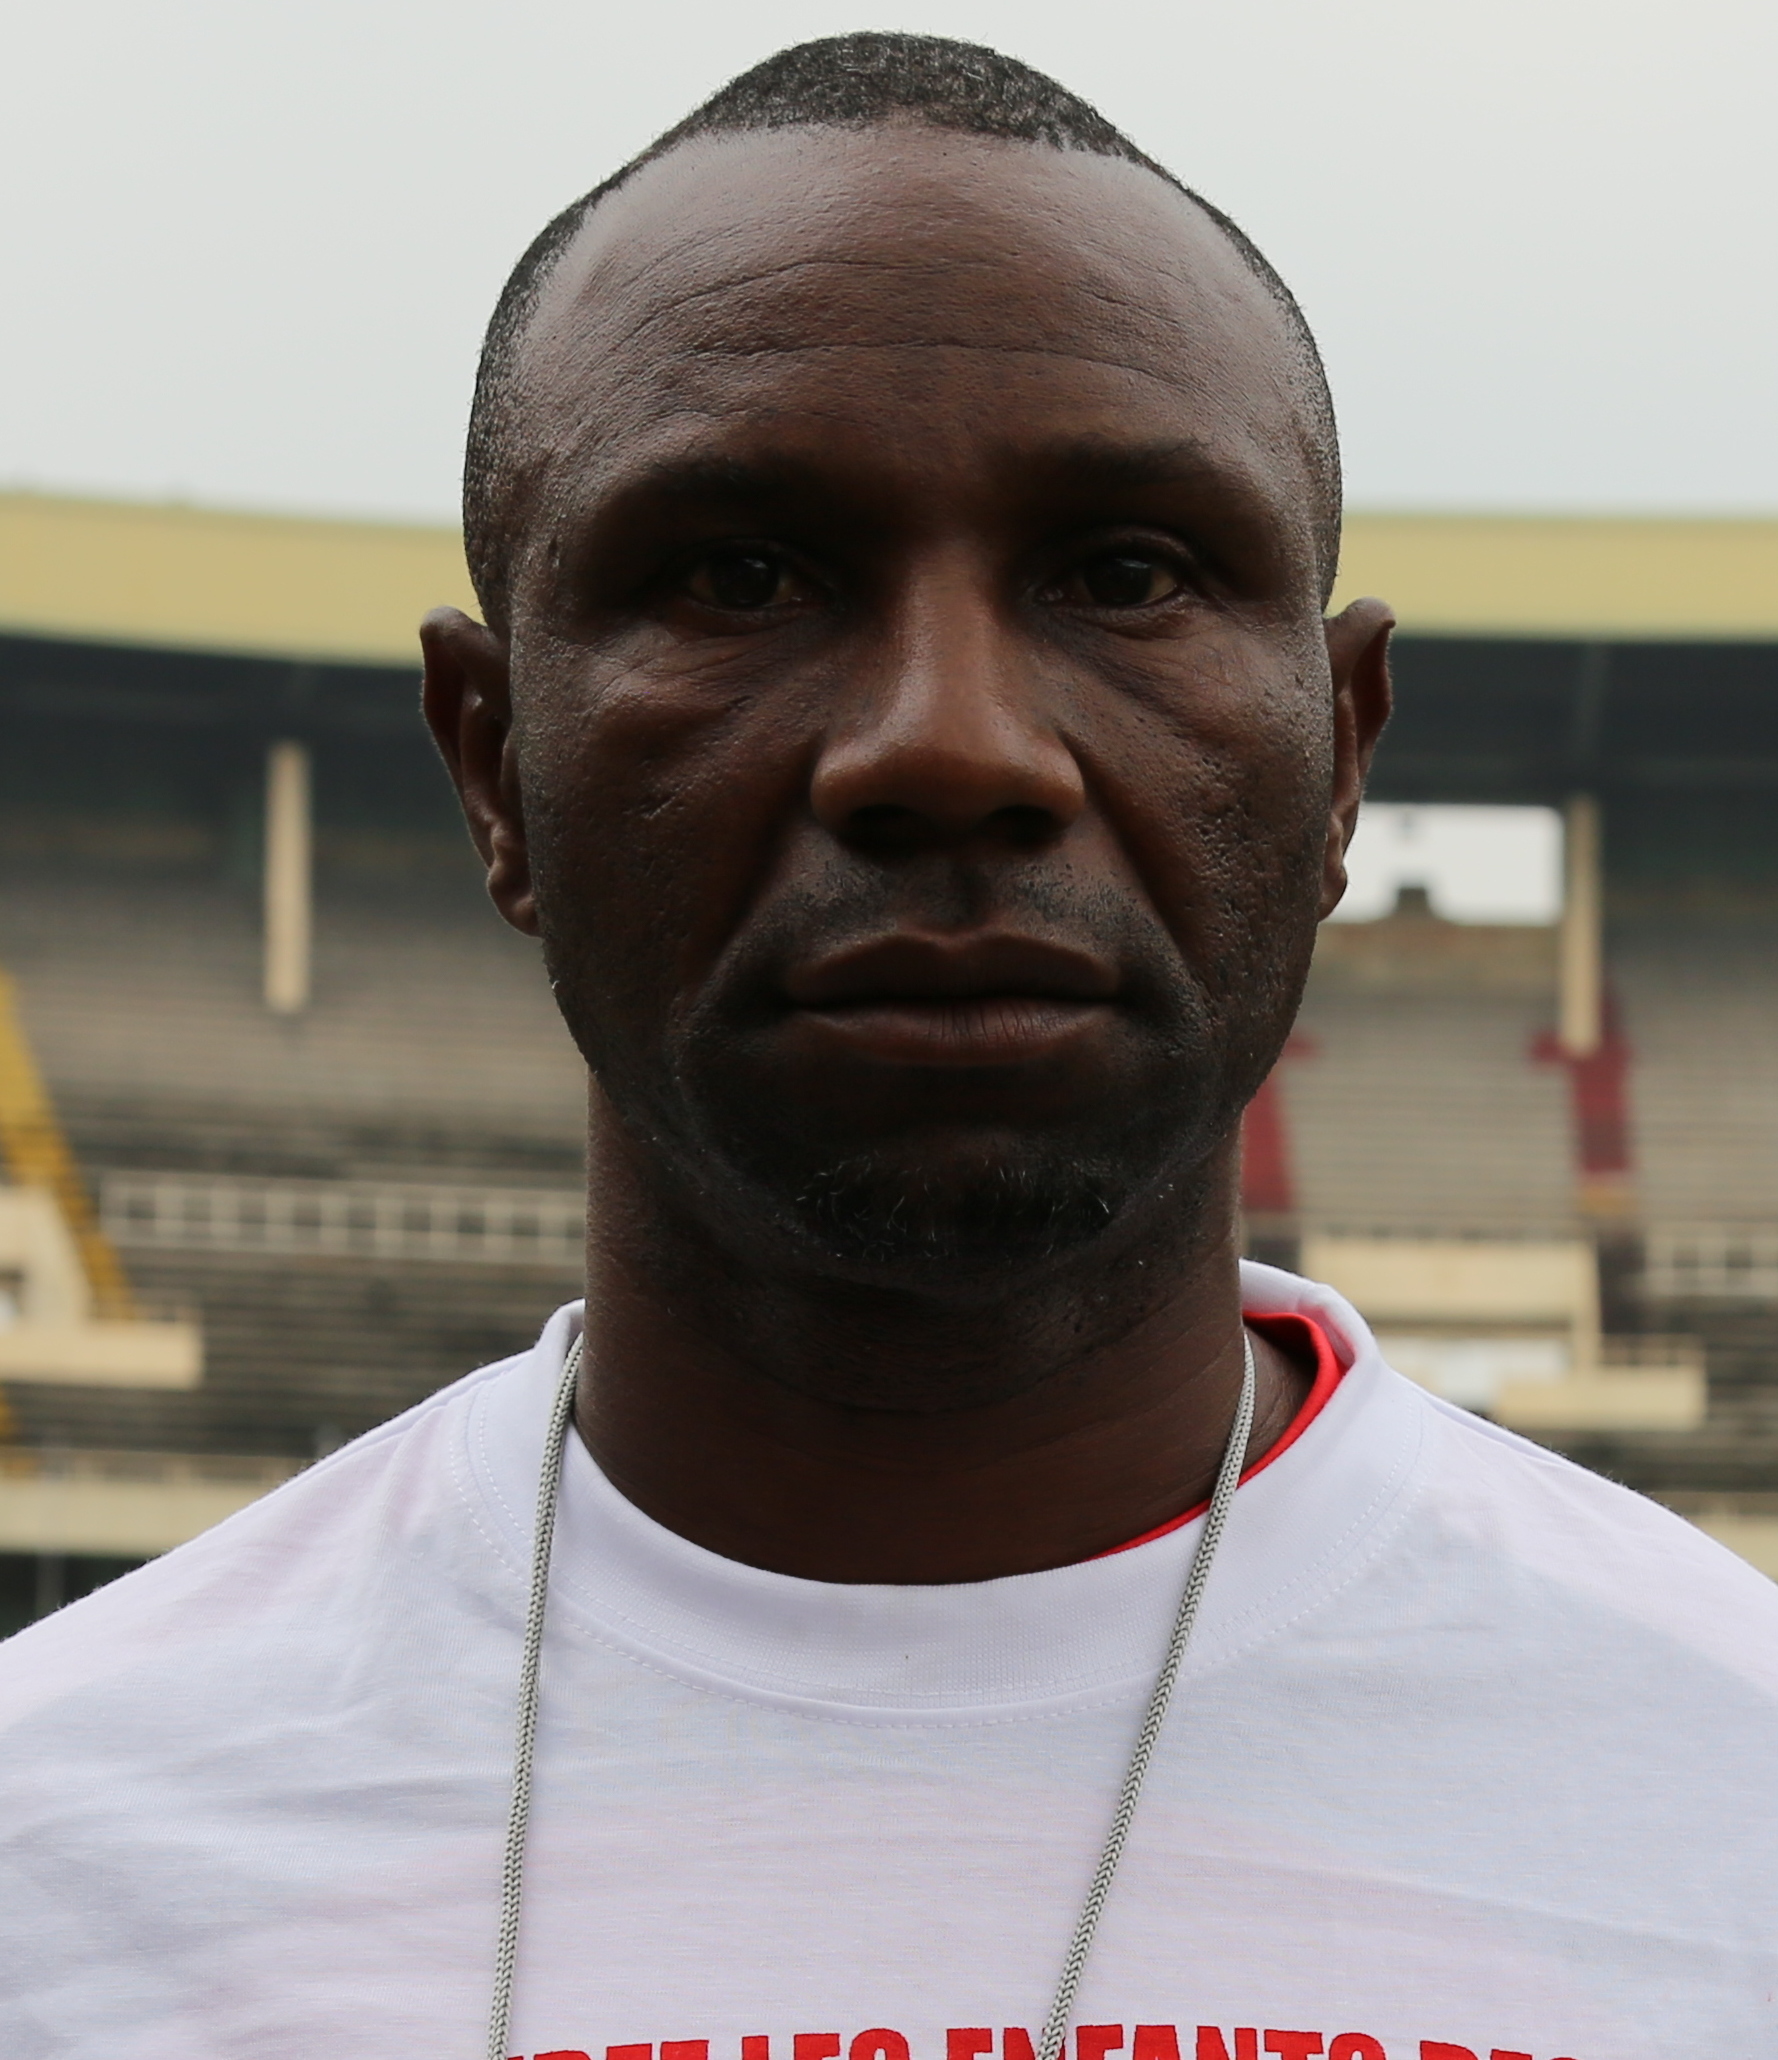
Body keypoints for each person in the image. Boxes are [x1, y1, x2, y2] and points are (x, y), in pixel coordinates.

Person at [2, 31, 1775, 2060]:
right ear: (493, 766)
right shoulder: (61, 1847)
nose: (951, 743)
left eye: (1127, 574)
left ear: (1343, 754)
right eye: (741, 577)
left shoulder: (1729, 1796)